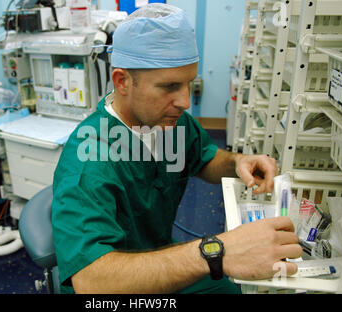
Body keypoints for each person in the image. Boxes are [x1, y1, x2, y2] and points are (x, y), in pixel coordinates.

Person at [51, 3, 302, 294]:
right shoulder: (89, 160)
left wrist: (237, 162)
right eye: (169, 86)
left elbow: (204, 158)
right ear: (122, 81)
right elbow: (91, 281)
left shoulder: (169, 123)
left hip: (159, 261)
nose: (185, 101)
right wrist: (215, 252)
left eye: (188, 83)